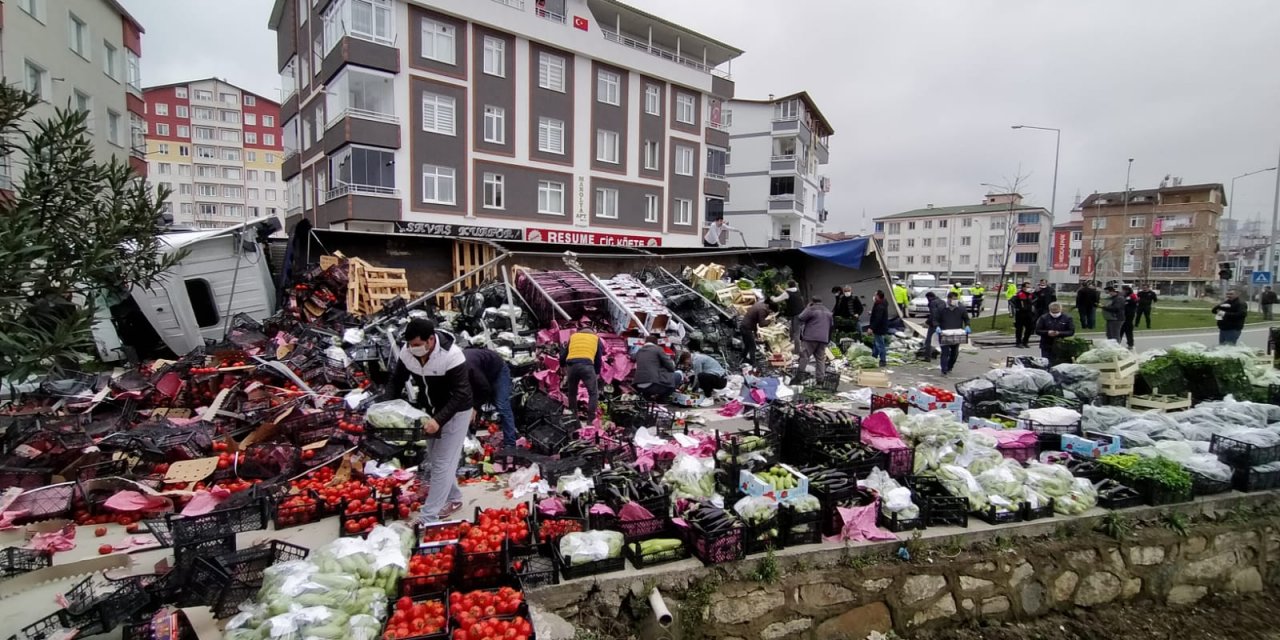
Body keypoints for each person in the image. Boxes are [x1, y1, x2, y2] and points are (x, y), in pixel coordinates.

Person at [388, 319, 473, 524]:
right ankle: (454, 498)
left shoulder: (451, 355)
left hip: (456, 411)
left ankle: (428, 517)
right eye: (410, 344)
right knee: (436, 460)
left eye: (417, 344)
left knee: (442, 463)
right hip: (429, 411)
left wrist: (439, 420)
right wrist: (386, 407)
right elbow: (396, 381)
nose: (413, 348)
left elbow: (461, 393)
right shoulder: (407, 353)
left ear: (431, 340)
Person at [463, 347, 517, 448]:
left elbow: (484, 388)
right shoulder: (455, 371)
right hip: (481, 372)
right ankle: (471, 439)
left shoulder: (468, 367)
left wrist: (475, 408)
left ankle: (510, 443)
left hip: (498, 371)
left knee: (502, 405)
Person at [560, 326, 606, 422]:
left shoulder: (573, 336)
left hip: (571, 366)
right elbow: (598, 358)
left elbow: (564, 354)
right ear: (593, 331)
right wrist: (597, 372)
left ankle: (574, 418)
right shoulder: (595, 338)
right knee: (593, 393)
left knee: (572, 392)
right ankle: (591, 420)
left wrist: (562, 366)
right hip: (587, 366)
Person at [793, 296, 835, 384]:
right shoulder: (828, 311)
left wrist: (807, 307)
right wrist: (828, 338)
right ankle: (820, 380)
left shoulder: (811, 309)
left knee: (804, 356)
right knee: (820, 359)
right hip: (823, 338)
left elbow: (800, 317)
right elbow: (831, 325)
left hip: (810, 338)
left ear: (812, 301)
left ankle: (799, 378)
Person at [634, 334, 682, 400]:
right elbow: (670, 366)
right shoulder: (658, 349)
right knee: (678, 376)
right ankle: (661, 399)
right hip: (653, 384)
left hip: (638, 385)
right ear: (656, 343)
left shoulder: (639, 351)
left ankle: (648, 399)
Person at [935, 292, 970, 376]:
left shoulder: (961, 308)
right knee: (945, 352)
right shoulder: (941, 308)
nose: (955, 301)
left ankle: (950, 366)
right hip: (944, 333)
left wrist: (967, 325)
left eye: (956, 299)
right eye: (953, 299)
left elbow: (966, 318)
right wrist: (937, 326)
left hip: (956, 333)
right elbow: (935, 319)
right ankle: (944, 370)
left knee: (954, 353)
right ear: (948, 299)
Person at [739, 299, 776, 364]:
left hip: (744, 326)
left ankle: (742, 357)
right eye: (771, 312)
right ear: (770, 309)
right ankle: (753, 363)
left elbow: (754, 320)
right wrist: (769, 321)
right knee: (753, 347)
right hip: (747, 328)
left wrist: (755, 331)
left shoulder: (760, 305)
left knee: (747, 345)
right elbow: (761, 324)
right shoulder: (763, 310)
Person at [922, 291, 946, 361]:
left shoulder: (932, 303)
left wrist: (927, 322)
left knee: (929, 340)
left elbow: (933, 315)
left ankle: (927, 357)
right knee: (942, 340)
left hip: (934, 324)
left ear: (929, 297)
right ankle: (945, 355)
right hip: (943, 324)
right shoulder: (943, 302)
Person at [1011, 283, 1036, 348]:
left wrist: (1032, 304)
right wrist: (1017, 307)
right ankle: (1018, 342)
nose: (1029, 288)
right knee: (1019, 329)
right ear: (1023, 287)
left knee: (1029, 328)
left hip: (1029, 313)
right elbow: (1011, 301)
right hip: (1020, 314)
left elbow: (1035, 299)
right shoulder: (1019, 294)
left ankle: (1025, 341)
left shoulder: (1030, 294)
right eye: (1027, 287)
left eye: (1029, 287)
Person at [869, 290, 890, 367]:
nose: (874, 296)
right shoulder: (881, 303)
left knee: (880, 344)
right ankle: (874, 356)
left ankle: (883, 360)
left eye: (875, 295)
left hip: (879, 328)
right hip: (880, 327)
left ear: (878, 296)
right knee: (876, 343)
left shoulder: (880, 306)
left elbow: (878, 318)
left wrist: (871, 328)